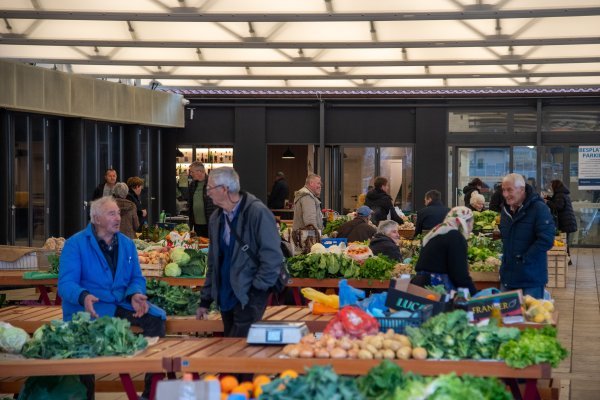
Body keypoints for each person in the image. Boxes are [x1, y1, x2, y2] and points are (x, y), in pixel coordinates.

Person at [58, 196, 166, 399]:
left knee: (156, 318)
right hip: (88, 308)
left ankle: (151, 393)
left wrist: (135, 294)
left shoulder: (126, 244)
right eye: (112, 213)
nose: (118, 218)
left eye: (118, 213)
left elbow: (136, 277)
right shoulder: (76, 244)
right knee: (83, 342)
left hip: (119, 303)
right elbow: (65, 284)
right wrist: (83, 296)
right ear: (96, 219)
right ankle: (85, 395)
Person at [196, 167, 283, 339]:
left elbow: (272, 257)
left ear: (224, 189)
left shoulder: (257, 212)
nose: (207, 193)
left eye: (210, 188)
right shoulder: (216, 218)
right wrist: (205, 300)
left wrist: (256, 291)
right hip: (226, 298)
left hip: (248, 297)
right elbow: (213, 262)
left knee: (241, 351)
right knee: (231, 348)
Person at [499, 173, 555, 298]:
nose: (505, 194)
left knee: (530, 316)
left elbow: (546, 240)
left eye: (509, 190)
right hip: (507, 277)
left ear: (522, 189)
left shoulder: (539, 208)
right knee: (506, 317)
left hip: (530, 279)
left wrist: (524, 259)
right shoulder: (505, 210)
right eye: (503, 190)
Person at [411, 207, 477, 295]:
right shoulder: (456, 237)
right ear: (466, 222)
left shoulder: (437, 232)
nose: (472, 227)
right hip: (438, 288)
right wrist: (475, 295)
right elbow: (459, 274)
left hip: (420, 285)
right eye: (472, 222)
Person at [545, 179, 577, 263]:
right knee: (564, 241)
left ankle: (567, 260)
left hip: (565, 222)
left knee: (564, 241)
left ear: (555, 186)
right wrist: (548, 198)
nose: (551, 187)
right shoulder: (561, 194)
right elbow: (556, 202)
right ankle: (568, 260)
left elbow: (558, 206)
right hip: (567, 222)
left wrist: (547, 202)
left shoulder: (560, 195)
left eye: (551, 185)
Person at [188, 161, 216, 237]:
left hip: (210, 224)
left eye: (192, 172)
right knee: (199, 246)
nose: (190, 174)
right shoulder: (192, 185)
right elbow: (190, 204)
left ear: (200, 171)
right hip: (197, 225)